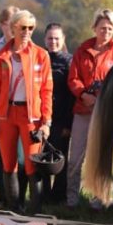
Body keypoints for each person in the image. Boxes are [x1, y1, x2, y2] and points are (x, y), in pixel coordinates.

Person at [0, 9, 53, 214]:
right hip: (5, 115)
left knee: (32, 164)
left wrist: (46, 122)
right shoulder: (1, 55)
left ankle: (34, 211)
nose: (27, 31)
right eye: (23, 27)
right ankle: (14, 209)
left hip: (31, 117)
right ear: (13, 28)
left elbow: (47, 90)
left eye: (31, 28)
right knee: (8, 164)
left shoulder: (41, 55)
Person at [66, 8, 113, 209]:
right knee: (76, 157)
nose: (106, 32)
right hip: (83, 109)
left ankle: (98, 201)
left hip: (105, 113)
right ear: (94, 27)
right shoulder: (82, 50)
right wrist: (84, 94)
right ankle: (71, 200)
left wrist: (105, 99)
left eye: (110, 28)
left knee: (102, 157)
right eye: (102, 28)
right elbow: (73, 78)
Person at [42, 23, 73, 205]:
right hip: (42, 119)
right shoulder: (39, 58)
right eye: (50, 38)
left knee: (61, 159)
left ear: (62, 40)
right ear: (45, 39)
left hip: (62, 118)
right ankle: (44, 196)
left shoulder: (69, 61)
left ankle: (59, 197)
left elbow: (72, 96)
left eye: (56, 38)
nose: (53, 42)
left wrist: (69, 124)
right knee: (42, 159)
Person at [0, 5, 20, 207]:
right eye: (10, 24)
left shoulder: (24, 47)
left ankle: (12, 200)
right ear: (3, 24)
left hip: (15, 110)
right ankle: (2, 200)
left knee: (11, 157)